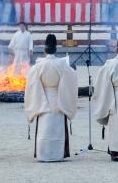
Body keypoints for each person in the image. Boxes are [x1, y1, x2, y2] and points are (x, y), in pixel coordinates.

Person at [24, 33, 78, 161]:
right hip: (59, 100)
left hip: (43, 100)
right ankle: (57, 154)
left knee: (44, 129)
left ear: (45, 49)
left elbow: (31, 85)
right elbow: (72, 78)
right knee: (57, 129)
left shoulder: (38, 66)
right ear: (56, 49)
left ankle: (44, 154)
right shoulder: (62, 64)